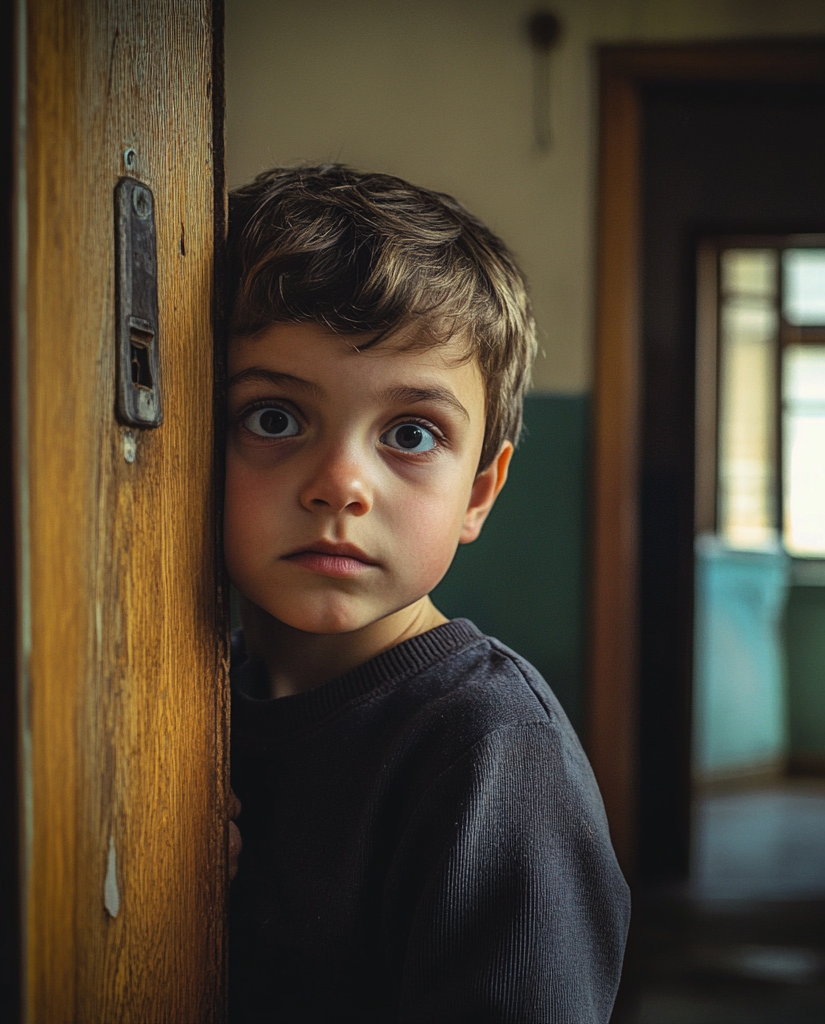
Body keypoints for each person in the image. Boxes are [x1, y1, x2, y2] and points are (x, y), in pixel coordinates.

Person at [225, 164, 629, 1023]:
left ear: (480, 490)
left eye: (411, 434)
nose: (340, 485)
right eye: (273, 417)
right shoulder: (187, 682)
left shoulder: (495, 754)